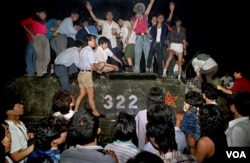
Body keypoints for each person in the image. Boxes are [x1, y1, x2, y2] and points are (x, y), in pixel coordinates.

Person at [85, 1, 123, 72]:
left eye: (111, 14)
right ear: (105, 17)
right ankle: (100, 73)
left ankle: (116, 74)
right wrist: (90, 10)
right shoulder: (103, 22)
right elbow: (95, 18)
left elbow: (119, 36)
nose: (109, 16)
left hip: (113, 44)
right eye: (108, 15)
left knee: (113, 59)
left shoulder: (116, 25)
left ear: (113, 16)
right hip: (103, 43)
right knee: (102, 59)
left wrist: (117, 35)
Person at [74, 34, 105, 117]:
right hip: (86, 75)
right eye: (93, 40)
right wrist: (98, 70)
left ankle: (75, 111)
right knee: (91, 95)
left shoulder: (83, 50)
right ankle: (95, 112)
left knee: (82, 94)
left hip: (81, 74)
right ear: (89, 41)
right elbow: (92, 66)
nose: (95, 42)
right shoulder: (89, 51)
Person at [0, 89, 34, 163]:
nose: (22, 106)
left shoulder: (19, 123)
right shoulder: (11, 129)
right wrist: (36, 145)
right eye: (18, 105)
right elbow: (16, 157)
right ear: (9, 111)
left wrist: (27, 136)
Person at [147, 1, 175, 78]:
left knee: (160, 59)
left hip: (160, 44)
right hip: (153, 44)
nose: (160, 18)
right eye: (159, 17)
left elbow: (169, 19)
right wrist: (148, 33)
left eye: (162, 18)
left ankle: (160, 73)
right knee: (149, 56)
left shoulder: (165, 26)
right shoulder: (153, 27)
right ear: (157, 19)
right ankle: (148, 68)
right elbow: (151, 37)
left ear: (163, 20)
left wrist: (171, 10)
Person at [21, 8, 51, 77]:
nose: (44, 15)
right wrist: (31, 33)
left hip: (44, 38)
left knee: (46, 58)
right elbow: (22, 23)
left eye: (45, 14)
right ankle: (38, 74)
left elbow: (47, 29)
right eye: (42, 13)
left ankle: (39, 71)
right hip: (36, 38)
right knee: (37, 57)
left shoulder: (45, 21)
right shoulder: (32, 19)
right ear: (37, 13)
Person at [131, 0, 155, 73]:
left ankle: (149, 70)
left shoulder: (145, 15)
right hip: (138, 37)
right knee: (137, 54)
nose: (139, 9)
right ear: (135, 10)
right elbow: (134, 28)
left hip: (146, 36)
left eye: (140, 8)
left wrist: (151, 2)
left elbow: (149, 8)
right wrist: (138, 18)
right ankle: (136, 71)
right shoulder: (133, 18)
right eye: (138, 9)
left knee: (147, 54)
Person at [163, 16, 187, 81]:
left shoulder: (183, 29)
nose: (178, 22)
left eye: (180, 21)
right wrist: (168, 47)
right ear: (175, 22)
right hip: (173, 44)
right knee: (170, 57)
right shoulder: (172, 28)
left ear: (181, 22)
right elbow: (168, 38)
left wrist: (185, 50)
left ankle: (179, 77)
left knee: (179, 62)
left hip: (180, 46)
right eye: (177, 21)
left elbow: (184, 40)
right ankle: (164, 72)